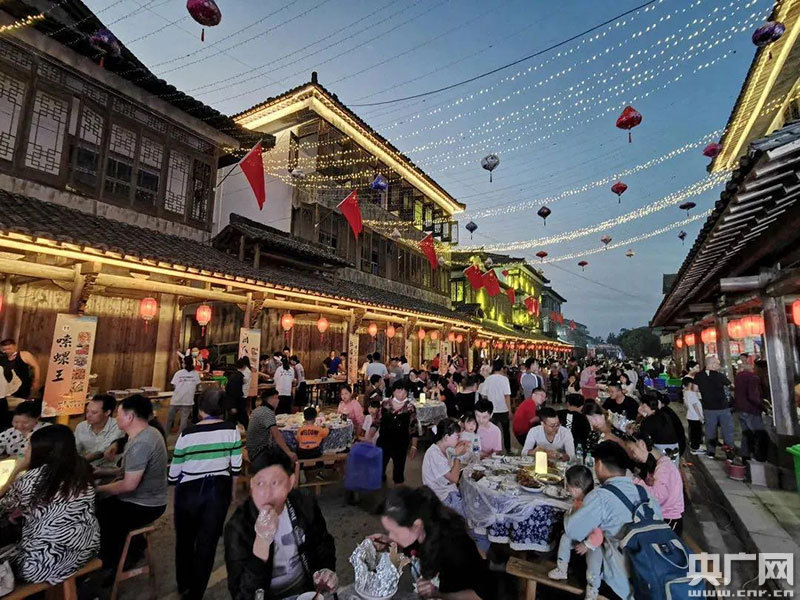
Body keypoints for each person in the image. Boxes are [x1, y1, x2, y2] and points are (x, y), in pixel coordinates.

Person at [223, 448, 337, 600]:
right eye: (260, 483)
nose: (267, 492)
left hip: (306, 593)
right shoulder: (237, 526)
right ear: (251, 485)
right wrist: (261, 545)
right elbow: (241, 595)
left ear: (291, 482)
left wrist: (326, 571)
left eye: (275, 483)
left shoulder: (304, 504)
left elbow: (323, 543)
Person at [0, 425, 99, 585]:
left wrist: (17, 469)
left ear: (42, 451)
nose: (25, 450)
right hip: (86, 548)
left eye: (29, 446)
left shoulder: (32, 479)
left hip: (43, 564)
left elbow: (3, 505)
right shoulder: (81, 469)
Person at [564, 441, 662, 600]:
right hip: (653, 578)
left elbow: (572, 530)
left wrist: (570, 512)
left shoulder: (600, 496)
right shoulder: (645, 493)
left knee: (575, 547)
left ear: (599, 465)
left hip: (620, 585)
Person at [169, 390, 242, 600]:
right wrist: (232, 494)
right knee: (207, 543)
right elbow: (235, 468)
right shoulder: (232, 430)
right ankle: (196, 592)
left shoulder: (187, 434)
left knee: (184, 539)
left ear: (200, 410)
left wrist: (176, 496)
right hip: (218, 490)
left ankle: (183, 583)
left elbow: (174, 473)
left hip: (188, 490)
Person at [373, 486, 494, 600]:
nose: (391, 536)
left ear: (417, 525)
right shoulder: (421, 524)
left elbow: (480, 596)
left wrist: (437, 593)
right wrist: (389, 542)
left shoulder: (454, 548)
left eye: (394, 532)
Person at [96, 394, 167, 570]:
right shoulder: (147, 433)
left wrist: (97, 489)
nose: (116, 418)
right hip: (143, 498)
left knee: (99, 514)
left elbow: (129, 485)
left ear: (130, 417)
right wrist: (99, 472)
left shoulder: (142, 442)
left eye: (118, 414)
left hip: (146, 504)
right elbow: (128, 471)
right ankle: (132, 548)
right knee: (101, 506)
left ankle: (113, 564)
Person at [547, 465, 604, 600]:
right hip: (579, 535)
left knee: (594, 561)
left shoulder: (590, 505)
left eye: (569, 486)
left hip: (593, 542)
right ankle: (562, 569)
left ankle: (593, 588)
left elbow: (599, 532)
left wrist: (587, 545)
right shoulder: (578, 501)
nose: (568, 489)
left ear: (578, 487)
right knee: (565, 538)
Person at [624, 435, 685, 535]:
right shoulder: (653, 465)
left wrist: (634, 480)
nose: (632, 456)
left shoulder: (664, 467)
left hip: (669, 520)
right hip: (660, 516)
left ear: (642, 444)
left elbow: (657, 497)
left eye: (632, 451)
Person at [422, 419, 468, 513]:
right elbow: (454, 479)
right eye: (457, 436)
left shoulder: (445, 448)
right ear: (446, 437)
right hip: (440, 496)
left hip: (445, 489)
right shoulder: (434, 454)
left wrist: (457, 452)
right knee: (468, 508)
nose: (459, 439)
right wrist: (458, 456)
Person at [693, 355, 734, 460]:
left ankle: (711, 452)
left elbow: (695, 389)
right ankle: (729, 454)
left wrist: (705, 392)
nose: (719, 366)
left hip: (708, 408)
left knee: (710, 431)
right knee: (727, 431)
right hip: (723, 408)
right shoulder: (720, 376)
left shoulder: (698, 376)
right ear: (712, 364)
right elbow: (731, 385)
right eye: (717, 364)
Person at [377, 381, 418, 484]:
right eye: (399, 391)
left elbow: (413, 427)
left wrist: (414, 446)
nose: (402, 394)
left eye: (405, 392)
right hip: (384, 440)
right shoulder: (385, 404)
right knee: (380, 466)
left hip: (401, 442)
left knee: (399, 468)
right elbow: (377, 421)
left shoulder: (410, 407)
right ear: (393, 391)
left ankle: (398, 488)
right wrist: (369, 435)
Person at [246, 389, 297, 464]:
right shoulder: (267, 412)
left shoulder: (257, 410)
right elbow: (276, 435)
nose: (278, 401)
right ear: (272, 398)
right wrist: (289, 453)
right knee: (290, 450)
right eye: (277, 398)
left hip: (252, 450)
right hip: (259, 453)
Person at [74, 394, 121, 468]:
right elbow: (75, 450)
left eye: (94, 412)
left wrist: (78, 464)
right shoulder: (81, 426)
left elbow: (100, 452)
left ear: (107, 412)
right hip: (86, 467)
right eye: (87, 411)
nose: (88, 415)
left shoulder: (117, 426)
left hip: (109, 469)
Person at [733, 358, 765, 462]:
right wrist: (762, 406)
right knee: (758, 433)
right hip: (751, 409)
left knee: (746, 433)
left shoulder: (738, 377)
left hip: (740, 408)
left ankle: (745, 456)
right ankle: (758, 457)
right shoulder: (753, 378)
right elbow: (753, 396)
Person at [637, 394, 681, 461]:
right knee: (672, 466)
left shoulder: (648, 421)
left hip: (663, 449)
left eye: (643, 405)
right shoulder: (663, 414)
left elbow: (643, 439)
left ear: (648, 406)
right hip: (675, 446)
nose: (641, 406)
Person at [484, 360, 512, 453]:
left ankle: (492, 450)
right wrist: (510, 410)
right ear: (502, 368)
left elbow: (484, 395)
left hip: (491, 410)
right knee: (506, 431)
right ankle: (508, 449)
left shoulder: (488, 379)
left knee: (491, 431)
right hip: (503, 409)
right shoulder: (504, 379)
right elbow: (507, 396)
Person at [168, 355, 200, 433]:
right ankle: (181, 436)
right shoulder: (196, 374)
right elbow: (197, 385)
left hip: (176, 400)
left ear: (184, 363)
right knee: (184, 421)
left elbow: (174, 385)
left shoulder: (178, 373)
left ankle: (165, 434)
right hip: (188, 400)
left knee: (169, 419)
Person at [225, 357, 251, 428]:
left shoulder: (235, 376)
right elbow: (234, 392)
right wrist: (233, 405)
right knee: (240, 417)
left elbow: (229, 391)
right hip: (237, 400)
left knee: (237, 418)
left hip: (236, 401)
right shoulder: (238, 377)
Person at [682, 376, 704, 455]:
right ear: (690, 384)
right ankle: (695, 448)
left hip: (690, 416)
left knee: (694, 433)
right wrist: (700, 417)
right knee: (697, 434)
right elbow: (695, 406)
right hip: (695, 417)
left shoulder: (685, 392)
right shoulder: (691, 393)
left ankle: (694, 447)